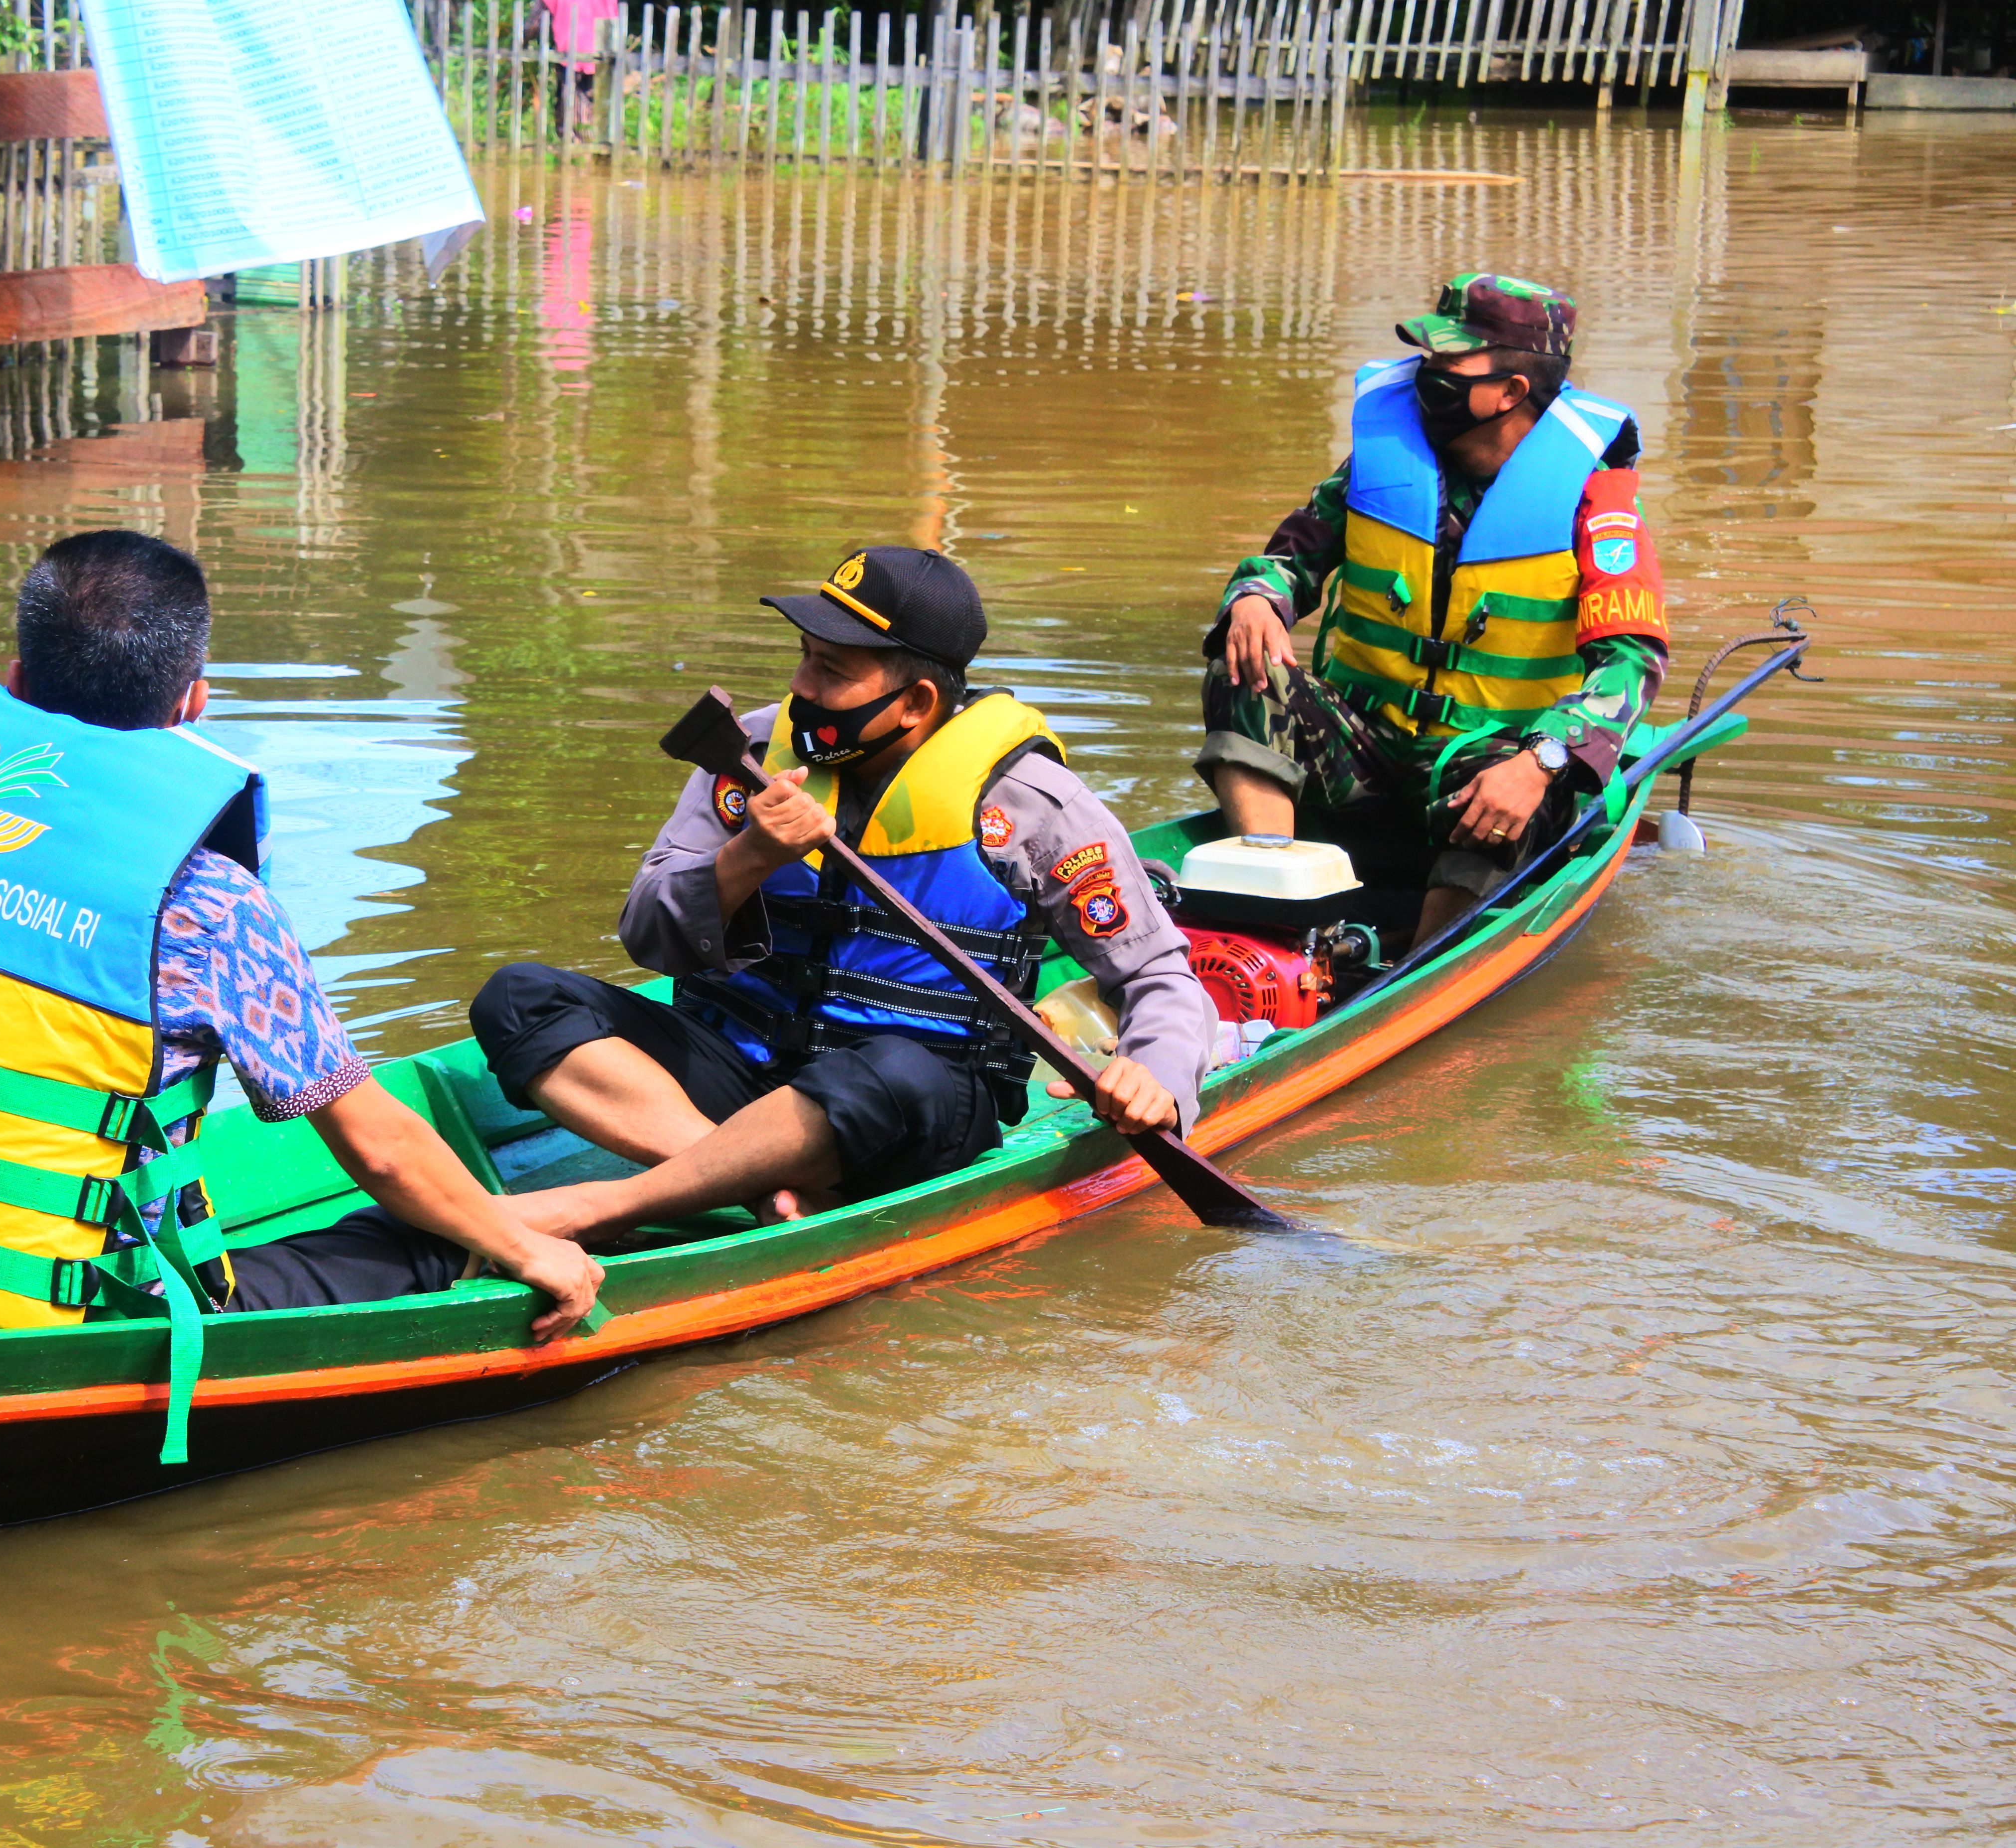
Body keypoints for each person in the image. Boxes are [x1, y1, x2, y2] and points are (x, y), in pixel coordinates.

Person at [0, 531, 602, 1345]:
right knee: (423, 1239)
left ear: (15, 680)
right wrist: (533, 1252)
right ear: (195, 699)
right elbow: (378, 1148)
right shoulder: (210, 903)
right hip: (41, 1319)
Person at [472, 546, 1218, 1246]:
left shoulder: (1031, 807)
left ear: (916, 703)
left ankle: (609, 1205)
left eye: (830, 669)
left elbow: (1159, 981)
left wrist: (1155, 1079)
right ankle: (738, 1177)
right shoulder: (747, 759)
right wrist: (750, 856)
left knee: (894, 1070)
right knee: (520, 998)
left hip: (903, 1109)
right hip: (734, 1078)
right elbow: (647, 935)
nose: (801, 686)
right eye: (803, 657)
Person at [1198, 272, 1671, 942]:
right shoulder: (1384, 464)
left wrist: (1543, 760)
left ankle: (1416, 969)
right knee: (1241, 666)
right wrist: (1256, 601)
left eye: (1451, 363)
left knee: (1508, 798)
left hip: (1491, 762)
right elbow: (1288, 561)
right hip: (1368, 747)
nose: (1430, 376)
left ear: (1511, 392)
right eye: (1428, 359)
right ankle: (1276, 907)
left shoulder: (1595, 500)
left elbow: (1633, 659)